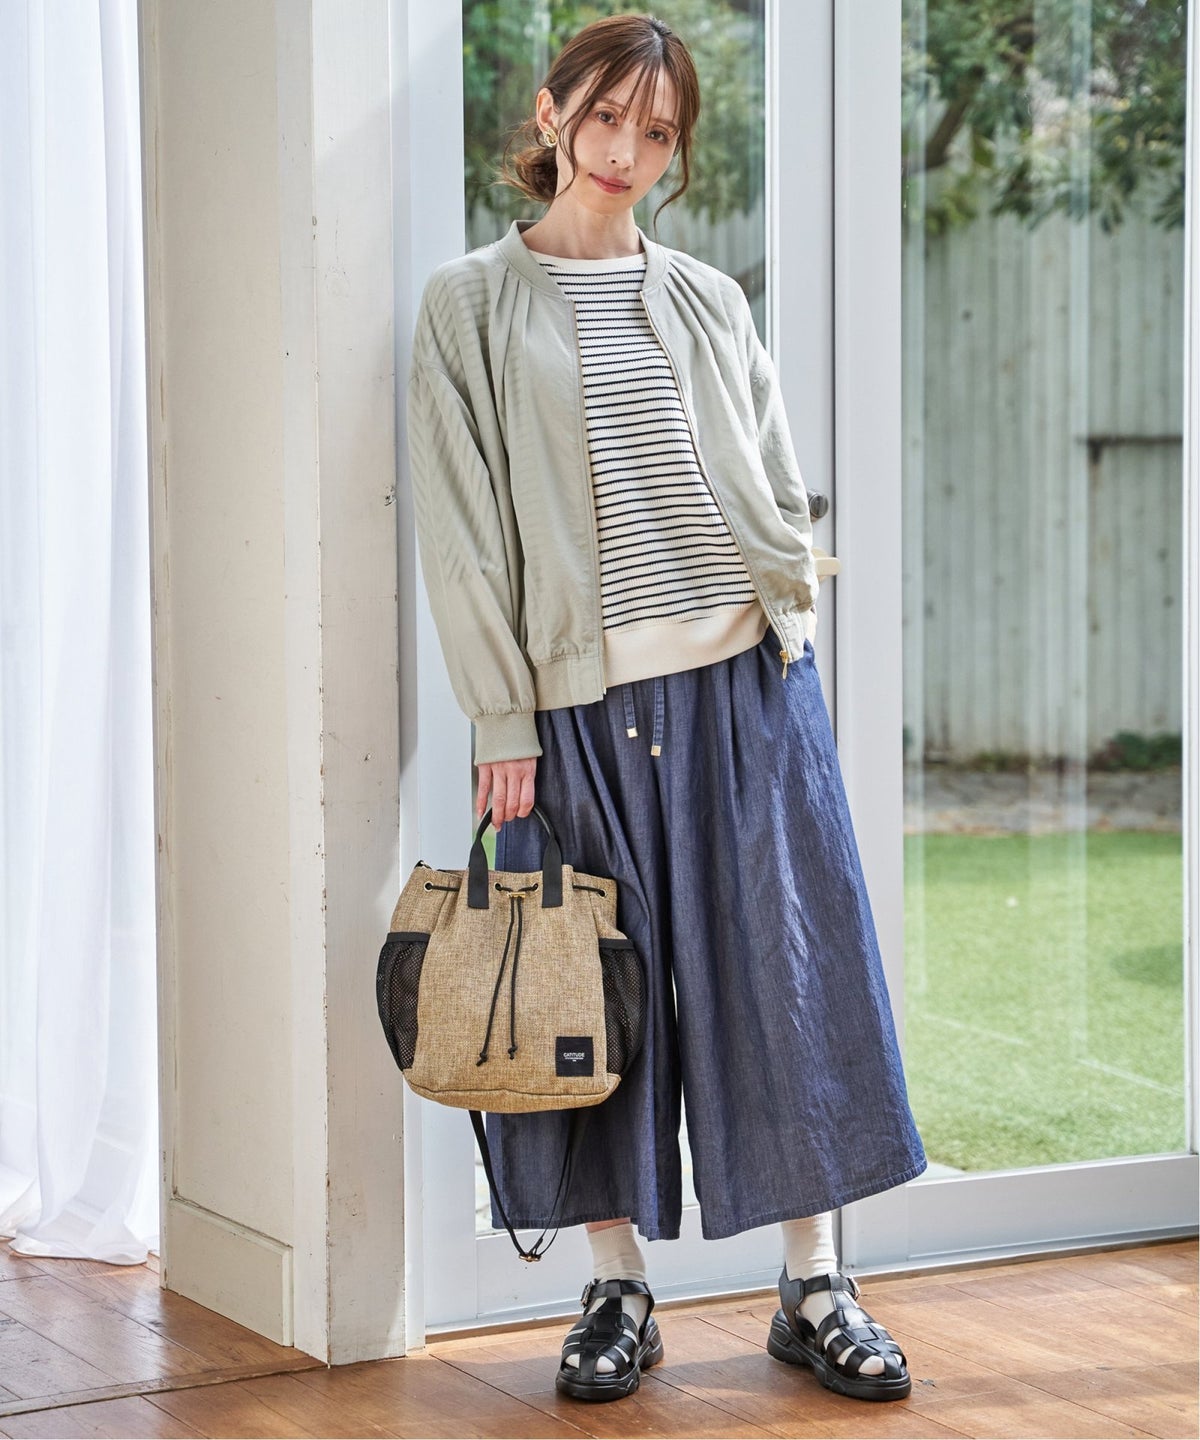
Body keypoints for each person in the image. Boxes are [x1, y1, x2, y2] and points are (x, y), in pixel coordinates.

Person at [407, 10, 926, 1408]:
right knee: (590, 1001)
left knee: (787, 983)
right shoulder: (471, 304)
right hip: (579, 711)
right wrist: (502, 722)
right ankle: (616, 1288)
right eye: (605, 118)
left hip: (746, 689)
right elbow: (462, 533)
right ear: (552, 113)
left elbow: (769, 466)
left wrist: (790, 626)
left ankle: (816, 1283)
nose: (626, 152)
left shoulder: (708, 297)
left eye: (656, 131)